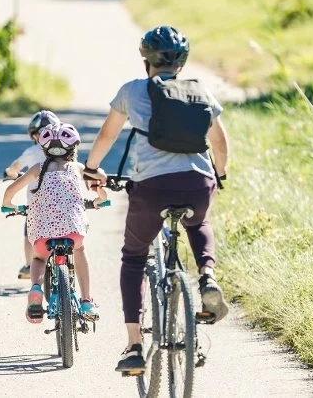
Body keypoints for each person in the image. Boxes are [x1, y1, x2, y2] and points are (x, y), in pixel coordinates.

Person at [82, 25, 231, 374]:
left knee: (134, 258)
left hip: (152, 188)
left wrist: (91, 169)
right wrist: (220, 174)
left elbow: (106, 136)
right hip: (197, 183)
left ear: (146, 60)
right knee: (199, 222)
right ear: (182, 63)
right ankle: (207, 276)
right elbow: (220, 143)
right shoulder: (200, 92)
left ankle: (134, 346)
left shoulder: (132, 91)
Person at [2, 122, 108, 323]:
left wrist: (8, 205)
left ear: (44, 149)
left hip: (42, 232)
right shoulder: (77, 168)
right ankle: (86, 300)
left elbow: (10, 191)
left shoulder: (38, 168)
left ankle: (36, 288)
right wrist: (100, 192)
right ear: (73, 148)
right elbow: (100, 179)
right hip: (73, 231)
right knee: (79, 250)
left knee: (38, 258)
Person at [4, 109, 60, 279]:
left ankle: (30, 266)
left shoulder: (32, 151)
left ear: (35, 135)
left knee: (29, 234)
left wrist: (10, 173)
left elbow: (15, 167)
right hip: (63, 205)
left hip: (38, 207)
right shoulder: (65, 152)